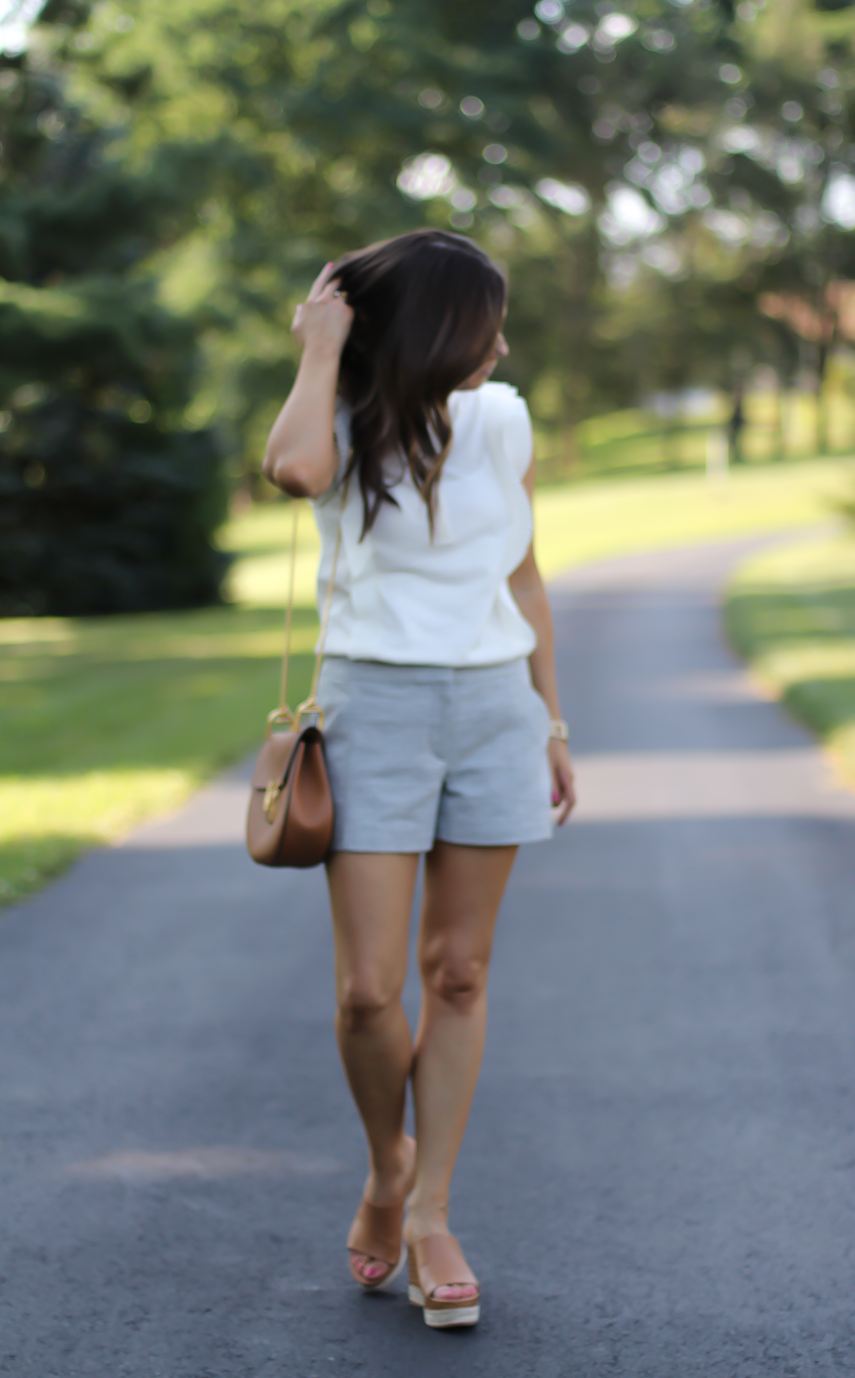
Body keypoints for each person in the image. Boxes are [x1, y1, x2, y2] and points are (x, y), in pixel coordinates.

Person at [262, 229, 576, 1330]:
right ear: (441, 327)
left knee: (457, 970)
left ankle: (432, 1208)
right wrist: (322, 347)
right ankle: (386, 1165)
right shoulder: (339, 421)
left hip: (495, 707)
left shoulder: (504, 419)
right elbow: (291, 471)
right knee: (367, 987)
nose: (503, 340)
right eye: (487, 318)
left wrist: (551, 717)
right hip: (375, 708)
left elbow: (524, 572)